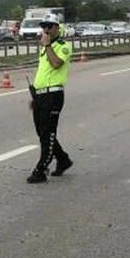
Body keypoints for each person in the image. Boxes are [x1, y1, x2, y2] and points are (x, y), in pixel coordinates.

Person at [27, 14, 74, 184]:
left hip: (53, 95)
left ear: (57, 28)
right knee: (42, 132)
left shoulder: (63, 46)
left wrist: (47, 45)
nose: (45, 30)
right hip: (40, 95)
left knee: (48, 133)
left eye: (49, 26)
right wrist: (36, 96)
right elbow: (43, 72)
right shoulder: (45, 48)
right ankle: (63, 159)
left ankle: (40, 170)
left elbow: (56, 64)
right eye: (43, 26)